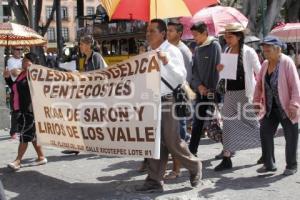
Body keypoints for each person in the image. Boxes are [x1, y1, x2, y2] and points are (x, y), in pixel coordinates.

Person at [135, 19, 201, 193]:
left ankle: (194, 166)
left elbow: (181, 76)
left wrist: (165, 62)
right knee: (154, 142)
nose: (148, 34)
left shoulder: (171, 51)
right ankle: (154, 179)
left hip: (168, 100)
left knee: (172, 141)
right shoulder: (149, 51)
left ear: (162, 33)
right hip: (152, 101)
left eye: (152, 31)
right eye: (147, 31)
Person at [215, 23, 261, 171]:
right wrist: (220, 69)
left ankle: (266, 151)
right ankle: (227, 157)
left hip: (245, 93)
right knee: (227, 124)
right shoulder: (227, 50)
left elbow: (259, 73)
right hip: (230, 93)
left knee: (252, 124)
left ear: (239, 36)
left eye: (230, 36)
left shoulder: (249, 52)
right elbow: (225, 75)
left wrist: (259, 95)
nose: (227, 39)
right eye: (226, 36)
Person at [254, 36, 300, 175]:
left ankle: (291, 165)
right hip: (270, 108)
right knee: (265, 132)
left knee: (290, 136)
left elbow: (295, 86)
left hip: (286, 108)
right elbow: (259, 85)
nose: (265, 51)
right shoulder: (265, 64)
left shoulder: (287, 63)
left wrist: (294, 105)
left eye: (268, 48)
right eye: (264, 49)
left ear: (278, 49)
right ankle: (269, 164)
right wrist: (256, 102)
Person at [5, 52, 47, 171]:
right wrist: (7, 77)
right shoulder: (22, 74)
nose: (23, 62)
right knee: (31, 136)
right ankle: (41, 156)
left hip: (29, 109)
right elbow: (15, 87)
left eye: (26, 60)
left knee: (24, 135)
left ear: (32, 63)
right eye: (23, 60)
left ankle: (18, 160)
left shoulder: (33, 75)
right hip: (19, 108)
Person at [163, 21, 193, 180]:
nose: (168, 33)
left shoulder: (182, 50)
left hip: (178, 97)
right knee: (172, 136)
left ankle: (179, 168)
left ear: (179, 33)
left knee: (178, 136)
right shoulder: (167, 48)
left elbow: (185, 78)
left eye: (171, 30)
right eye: (167, 30)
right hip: (169, 98)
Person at [188, 21, 221, 157]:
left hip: (214, 92)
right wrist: (199, 86)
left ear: (204, 33)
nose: (194, 38)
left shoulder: (215, 46)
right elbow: (194, 71)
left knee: (217, 123)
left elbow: (216, 70)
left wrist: (210, 89)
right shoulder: (197, 48)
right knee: (197, 122)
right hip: (200, 92)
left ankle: (228, 149)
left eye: (196, 35)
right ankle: (192, 151)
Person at [6, 46, 23, 139]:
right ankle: (13, 131)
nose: (19, 51)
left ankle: (20, 129)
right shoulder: (10, 60)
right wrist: (24, 70)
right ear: (12, 50)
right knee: (16, 110)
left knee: (23, 109)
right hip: (15, 85)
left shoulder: (23, 60)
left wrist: (20, 70)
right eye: (17, 49)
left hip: (23, 86)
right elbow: (14, 73)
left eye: (21, 49)